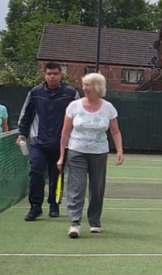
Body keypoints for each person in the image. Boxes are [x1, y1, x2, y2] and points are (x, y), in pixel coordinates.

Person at [57, 72, 124, 238]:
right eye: (84, 84)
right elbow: (65, 133)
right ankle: (74, 223)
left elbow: (115, 132)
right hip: (76, 151)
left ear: (97, 87)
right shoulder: (74, 106)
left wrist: (120, 150)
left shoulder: (108, 107)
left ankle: (94, 221)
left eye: (87, 85)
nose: (84, 88)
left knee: (97, 187)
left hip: (99, 153)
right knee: (77, 186)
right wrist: (61, 155)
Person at [17, 62, 80, 221]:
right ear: (44, 75)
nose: (52, 76)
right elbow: (26, 115)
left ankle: (54, 205)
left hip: (61, 144)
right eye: (49, 73)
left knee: (56, 175)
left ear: (61, 75)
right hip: (38, 142)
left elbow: (79, 117)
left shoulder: (71, 93)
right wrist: (22, 134)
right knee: (36, 172)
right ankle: (35, 207)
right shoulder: (35, 92)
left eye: (55, 74)